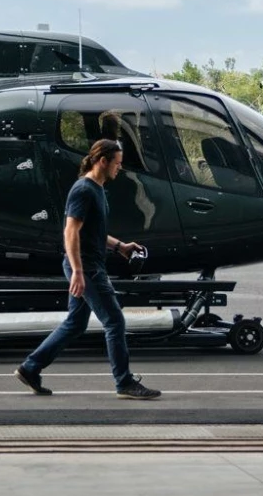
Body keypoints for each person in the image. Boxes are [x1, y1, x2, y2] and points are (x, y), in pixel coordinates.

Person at [14, 138, 162, 400]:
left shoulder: (97, 189)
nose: (119, 168)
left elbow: (93, 231)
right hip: (87, 268)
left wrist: (120, 247)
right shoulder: (83, 190)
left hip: (89, 265)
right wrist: (78, 271)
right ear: (102, 161)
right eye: (116, 163)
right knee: (115, 321)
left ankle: (30, 367)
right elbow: (70, 231)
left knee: (75, 323)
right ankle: (124, 382)